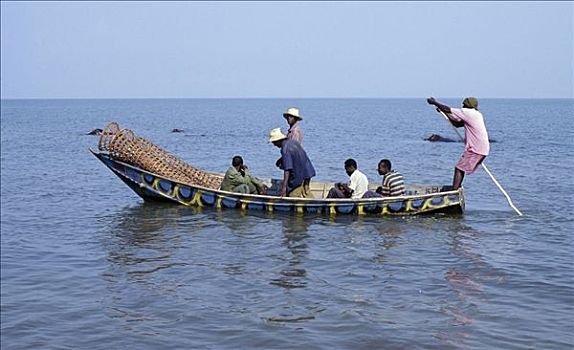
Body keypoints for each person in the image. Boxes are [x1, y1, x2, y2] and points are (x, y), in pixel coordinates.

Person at [427, 96, 490, 190]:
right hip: (481, 149)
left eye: (463, 105)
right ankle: (456, 188)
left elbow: (448, 109)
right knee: (461, 168)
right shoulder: (477, 114)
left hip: (475, 149)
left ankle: (454, 193)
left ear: (466, 105)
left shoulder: (468, 112)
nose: (462, 106)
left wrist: (435, 102)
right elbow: (457, 124)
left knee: (459, 168)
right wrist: (443, 112)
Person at [269, 128, 316, 197]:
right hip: (308, 172)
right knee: (306, 192)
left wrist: (284, 187)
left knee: (293, 195)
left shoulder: (285, 149)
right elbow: (294, 156)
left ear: (278, 140)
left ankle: (312, 206)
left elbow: (287, 169)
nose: (274, 144)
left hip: (299, 176)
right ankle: (314, 204)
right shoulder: (292, 142)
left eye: (274, 142)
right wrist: (281, 160)